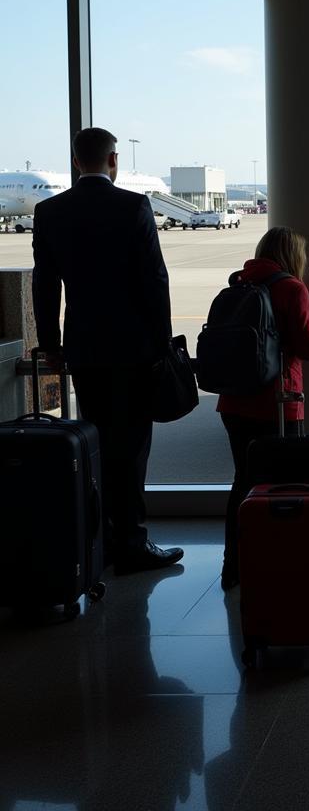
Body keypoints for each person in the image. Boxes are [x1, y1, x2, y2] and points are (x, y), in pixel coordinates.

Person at [32, 126, 183, 574]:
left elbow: (45, 285)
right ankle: (133, 542)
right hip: (134, 349)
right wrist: (162, 342)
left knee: (94, 445)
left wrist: (51, 344)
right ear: (113, 160)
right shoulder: (133, 206)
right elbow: (155, 280)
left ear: (76, 161)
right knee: (132, 447)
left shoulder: (50, 211)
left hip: (84, 348)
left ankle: (103, 541)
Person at [217, 226, 309, 590]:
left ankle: (233, 566)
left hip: (233, 402)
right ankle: (276, 563)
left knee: (243, 484)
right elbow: (308, 347)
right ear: (292, 256)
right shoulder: (292, 289)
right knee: (282, 488)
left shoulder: (238, 283)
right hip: (278, 404)